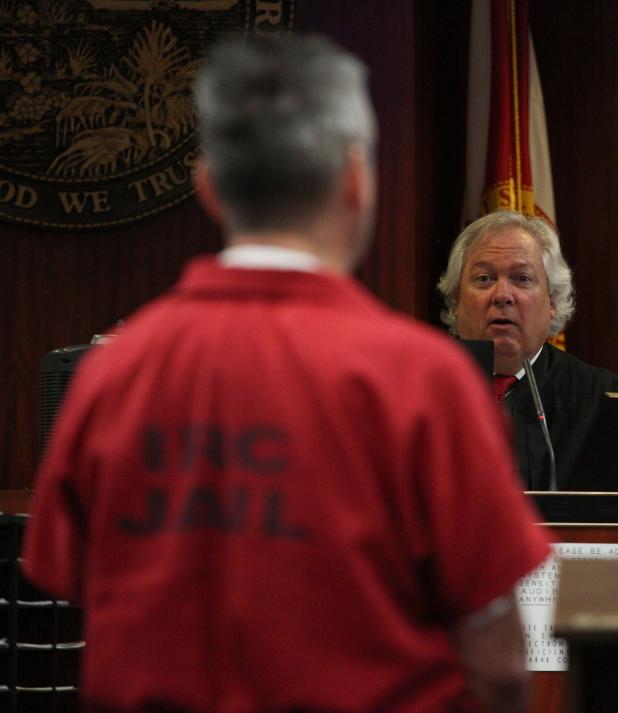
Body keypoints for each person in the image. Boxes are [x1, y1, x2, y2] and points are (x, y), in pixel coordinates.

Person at [22, 36, 550, 713]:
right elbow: (501, 663)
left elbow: (63, 587)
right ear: (356, 179)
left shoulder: (108, 374)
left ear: (208, 186)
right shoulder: (425, 381)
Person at [438, 210, 618, 490]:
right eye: (484, 278)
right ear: (456, 300)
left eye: (522, 279)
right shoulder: (413, 392)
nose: (502, 295)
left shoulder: (605, 403)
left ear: (552, 301)